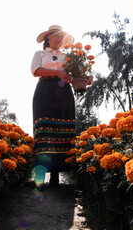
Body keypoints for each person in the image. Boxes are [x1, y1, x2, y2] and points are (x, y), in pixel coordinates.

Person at [31, 25, 93, 190]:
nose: (58, 39)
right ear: (48, 38)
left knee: (62, 132)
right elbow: (36, 71)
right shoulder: (40, 54)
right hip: (44, 92)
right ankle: (40, 176)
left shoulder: (68, 56)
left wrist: (86, 77)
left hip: (63, 94)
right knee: (44, 130)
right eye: (55, 36)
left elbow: (74, 75)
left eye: (60, 37)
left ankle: (56, 176)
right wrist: (57, 73)